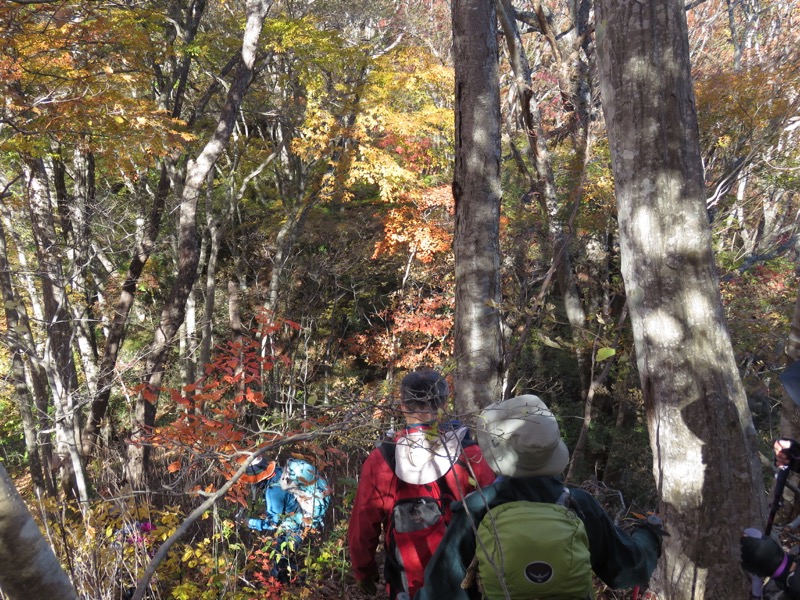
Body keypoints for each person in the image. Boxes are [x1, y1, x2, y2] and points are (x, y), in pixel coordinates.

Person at [415, 394, 664, 600]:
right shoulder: (578, 504)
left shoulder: (477, 508)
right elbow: (628, 570)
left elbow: (440, 590)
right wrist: (649, 535)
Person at [348, 368, 497, 600]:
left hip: (404, 584)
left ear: (402, 405)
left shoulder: (381, 459)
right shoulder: (470, 455)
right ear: (444, 403)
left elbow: (363, 526)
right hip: (461, 583)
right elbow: (492, 518)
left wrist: (363, 572)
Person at [239, 456, 330, 583]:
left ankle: (292, 590)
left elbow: (272, 523)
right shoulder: (282, 473)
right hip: (305, 522)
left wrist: (250, 522)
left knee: (282, 566)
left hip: (293, 529)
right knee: (293, 563)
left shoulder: (273, 491)